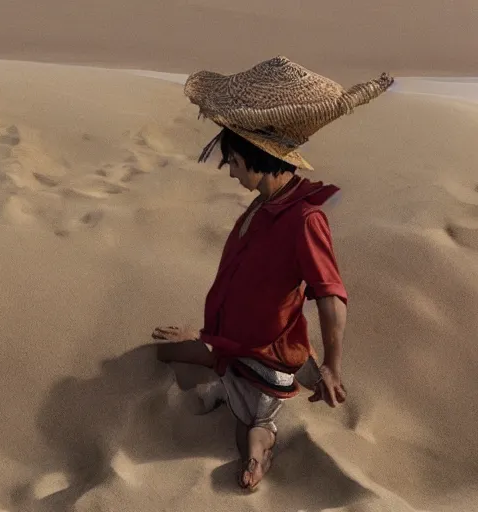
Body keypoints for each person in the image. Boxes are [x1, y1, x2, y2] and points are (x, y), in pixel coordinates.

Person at [151, 56, 393, 491]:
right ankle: (230, 373)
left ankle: (260, 453)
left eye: (233, 161)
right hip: (232, 343)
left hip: (266, 356)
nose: (228, 169)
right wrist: (202, 333)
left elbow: (330, 293)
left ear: (258, 158)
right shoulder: (265, 201)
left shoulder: (303, 218)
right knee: (163, 352)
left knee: (251, 431)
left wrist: (335, 366)